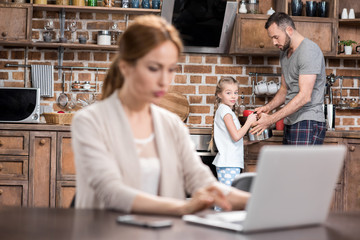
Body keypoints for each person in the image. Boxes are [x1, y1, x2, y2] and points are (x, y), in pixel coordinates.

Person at [71, 15, 250, 216]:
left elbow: (204, 183)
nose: (164, 80)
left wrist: (259, 200)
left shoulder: (171, 124)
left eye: (170, 69)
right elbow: (111, 192)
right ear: (125, 67)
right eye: (154, 68)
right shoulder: (90, 121)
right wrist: (184, 207)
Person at [251, 12, 326, 145]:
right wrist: (268, 107)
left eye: (276, 37)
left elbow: (305, 96)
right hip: (291, 120)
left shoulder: (308, 51)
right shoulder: (285, 53)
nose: (274, 42)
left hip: (307, 121)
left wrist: (270, 119)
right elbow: (285, 89)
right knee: (289, 166)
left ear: (289, 30)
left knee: (300, 166)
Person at [209, 77, 257, 187]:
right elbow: (236, 136)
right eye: (228, 93)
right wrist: (249, 121)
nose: (233, 96)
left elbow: (233, 140)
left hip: (229, 163)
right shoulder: (226, 112)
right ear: (219, 94)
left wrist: (251, 141)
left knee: (227, 198)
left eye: (235, 92)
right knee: (228, 199)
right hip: (229, 163)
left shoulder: (224, 110)